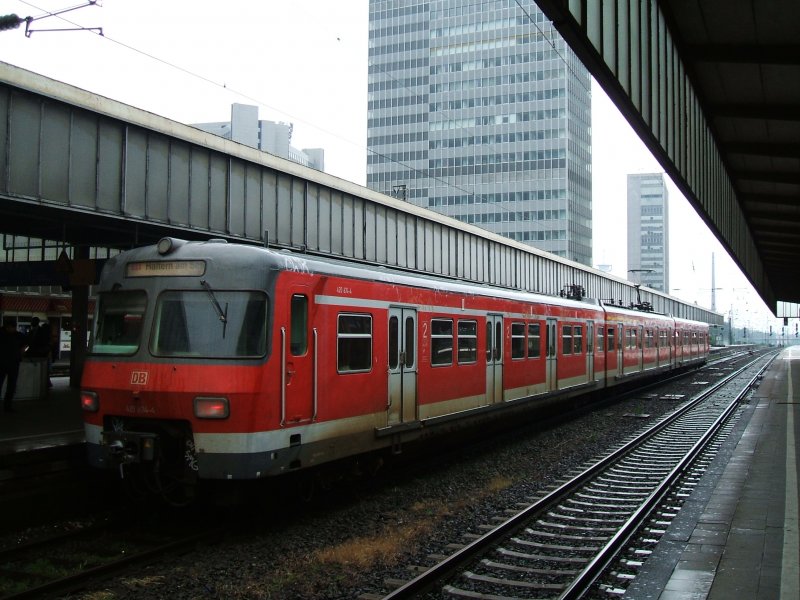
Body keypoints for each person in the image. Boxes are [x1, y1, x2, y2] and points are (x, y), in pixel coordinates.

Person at [1, 322, 27, 413]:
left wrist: (22, 351)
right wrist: (21, 353)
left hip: (6, 363)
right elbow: (25, 345)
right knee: (11, 386)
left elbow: (25, 345)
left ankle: (8, 406)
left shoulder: (15, 335)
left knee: (11, 386)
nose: (13, 329)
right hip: (12, 363)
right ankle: (7, 407)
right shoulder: (18, 336)